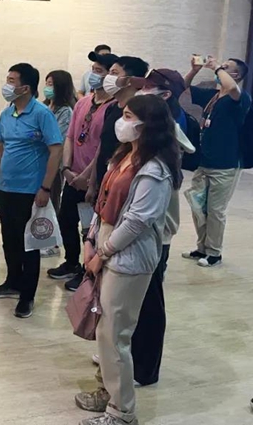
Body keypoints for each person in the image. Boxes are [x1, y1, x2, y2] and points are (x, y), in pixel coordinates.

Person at [74, 94, 182, 425]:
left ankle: (122, 412)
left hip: (129, 259)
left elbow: (136, 222)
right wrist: (90, 241)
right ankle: (107, 391)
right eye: (123, 114)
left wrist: (103, 253)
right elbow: (102, 203)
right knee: (105, 331)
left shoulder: (155, 170)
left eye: (130, 116)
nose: (123, 122)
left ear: (148, 125)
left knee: (115, 335)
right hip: (106, 248)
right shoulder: (123, 156)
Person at [128, 68, 192, 387]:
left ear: (165, 95)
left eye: (148, 89)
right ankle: (128, 353)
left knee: (149, 301)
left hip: (155, 232)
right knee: (134, 300)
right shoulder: (145, 133)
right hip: (138, 231)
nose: (141, 92)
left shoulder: (169, 131)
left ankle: (145, 367)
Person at [66, 56, 150, 292]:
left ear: (131, 80)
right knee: (94, 230)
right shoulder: (113, 109)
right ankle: (89, 271)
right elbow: (104, 148)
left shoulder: (142, 111)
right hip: (106, 179)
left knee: (114, 232)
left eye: (114, 73)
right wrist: (94, 181)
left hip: (124, 184)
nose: (107, 78)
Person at [0, 63, 63, 318]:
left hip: (30, 190)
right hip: (6, 188)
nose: (7, 85)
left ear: (26, 87)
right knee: (9, 240)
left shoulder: (42, 114)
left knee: (29, 244)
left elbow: (56, 150)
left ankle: (27, 296)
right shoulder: (7, 114)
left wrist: (45, 187)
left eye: (12, 81)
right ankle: (12, 282)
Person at [47, 52, 117, 280]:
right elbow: (70, 136)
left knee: (90, 228)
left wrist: (87, 176)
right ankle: (71, 262)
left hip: (94, 178)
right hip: (72, 175)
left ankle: (89, 270)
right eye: (92, 69)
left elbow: (103, 148)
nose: (93, 75)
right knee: (66, 220)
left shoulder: (113, 108)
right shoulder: (83, 103)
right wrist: (67, 168)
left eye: (99, 71)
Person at [182, 55, 251, 267]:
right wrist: (194, 70)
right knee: (198, 207)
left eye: (226, 67)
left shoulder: (240, 98)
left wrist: (216, 67)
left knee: (216, 210)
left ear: (235, 75)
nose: (220, 69)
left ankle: (214, 253)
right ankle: (201, 248)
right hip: (204, 161)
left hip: (226, 165)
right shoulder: (212, 96)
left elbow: (232, 88)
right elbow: (183, 88)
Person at [40, 70, 76, 258]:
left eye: (51, 84)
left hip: (53, 163)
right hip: (39, 162)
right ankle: (40, 238)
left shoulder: (65, 112)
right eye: (47, 83)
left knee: (52, 201)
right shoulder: (45, 107)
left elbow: (58, 140)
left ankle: (52, 243)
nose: (48, 88)